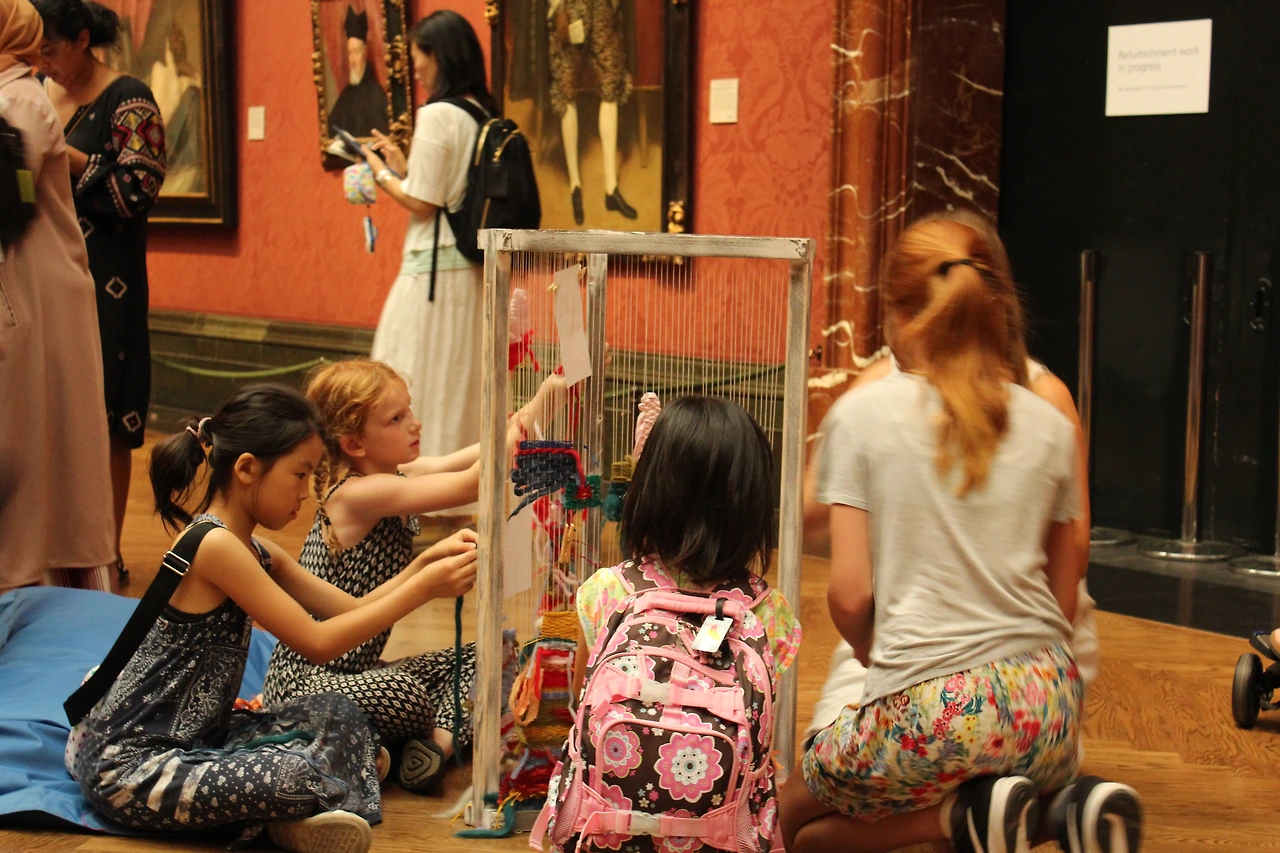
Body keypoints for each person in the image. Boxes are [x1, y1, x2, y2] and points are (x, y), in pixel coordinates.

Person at [778, 215, 1125, 853]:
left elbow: (850, 596)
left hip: (935, 708)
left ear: (899, 315)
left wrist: (886, 661)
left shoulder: (861, 415)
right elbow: (1064, 591)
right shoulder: (1051, 423)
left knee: (790, 819)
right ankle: (1057, 811)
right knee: (836, 829)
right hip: (1051, 712)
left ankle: (955, 817)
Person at [67, 384, 480, 853]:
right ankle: (296, 808)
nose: (305, 492)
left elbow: (347, 608)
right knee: (292, 774)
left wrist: (425, 566)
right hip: (134, 767)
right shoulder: (214, 545)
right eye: (299, 474)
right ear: (246, 469)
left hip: (205, 740)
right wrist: (425, 587)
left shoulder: (254, 549)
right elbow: (318, 642)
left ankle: (303, 804)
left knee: (340, 712)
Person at [262, 359, 565, 793]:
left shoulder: (392, 474)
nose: (414, 423)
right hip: (304, 685)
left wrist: (540, 403)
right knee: (405, 694)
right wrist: (544, 401)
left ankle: (432, 751)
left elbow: (477, 455)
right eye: (396, 418)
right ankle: (385, 743)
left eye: (409, 410)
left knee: (497, 655)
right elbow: (474, 482)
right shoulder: (355, 494)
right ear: (354, 444)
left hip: (359, 674)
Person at [533, 396, 803, 852]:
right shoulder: (769, 611)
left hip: (606, 831)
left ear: (650, 490)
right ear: (753, 506)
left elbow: (581, 702)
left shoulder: (608, 591)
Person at [34, 0, 166, 583]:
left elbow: (138, 189)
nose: (44, 63)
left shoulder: (128, 97)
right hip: (44, 272)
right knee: (49, 413)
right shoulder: (35, 93)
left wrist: (62, 155)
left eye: (51, 50)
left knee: (110, 415)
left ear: (82, 39)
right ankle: (55, 550)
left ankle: (105, 552)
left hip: (107, 281)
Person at [360, 11, 494, 520]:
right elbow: (442, 191)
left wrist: (380, 172)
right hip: (470, 271)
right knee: (460, 385)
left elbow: (422, 203)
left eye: (418, 56)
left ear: (438, 55)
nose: (413, 67)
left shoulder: (438, 114)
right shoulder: (481, 114)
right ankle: (460, 497)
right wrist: (405, 167)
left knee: (411, 378)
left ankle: (413, 497)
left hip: (432, 274)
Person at [0, 0, 115, 593]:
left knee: (37, 432)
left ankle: (32, 580)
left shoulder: (18, 100)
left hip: (33, 288)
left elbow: (7, 198)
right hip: (23, 285)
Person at [327, 6, 388, 137]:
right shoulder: (345, 95)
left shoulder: (377, 95)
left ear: (364, 52)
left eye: (356, 52)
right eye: (350, 53)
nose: (352, 60)